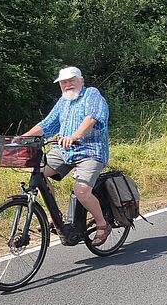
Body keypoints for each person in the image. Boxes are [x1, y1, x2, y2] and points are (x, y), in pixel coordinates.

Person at [22, 66, 112, 246]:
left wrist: (74, 136)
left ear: (81, 80)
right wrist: (21, 140)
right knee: (38, 174)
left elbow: (92, 118)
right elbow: (46, 125)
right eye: (63, 82)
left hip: (90, 151)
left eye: (71, 80)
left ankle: (103, 224)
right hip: (65, 150)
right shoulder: (63, 101)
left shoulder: (91, 94)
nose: (67, 85)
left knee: (81, 191)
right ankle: (55, 217)